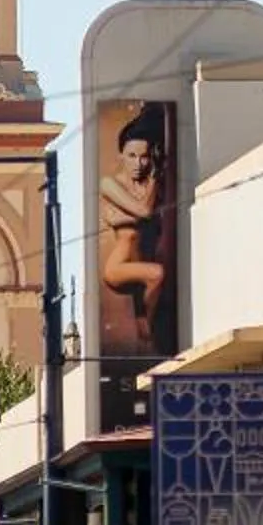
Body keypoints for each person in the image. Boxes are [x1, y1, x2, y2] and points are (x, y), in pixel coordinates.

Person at [98, 106, 171, 351]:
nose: (138, 163)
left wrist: (153, 179)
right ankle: (147, 326)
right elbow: (145, 212)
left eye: (144, 156)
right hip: (118, 266)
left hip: (140, 264)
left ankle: (144, 324)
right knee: (157, 273)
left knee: (153, 277)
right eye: (131, 156)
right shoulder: (110, 184)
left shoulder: (150, 184)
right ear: (121, 155)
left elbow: (145, 212)